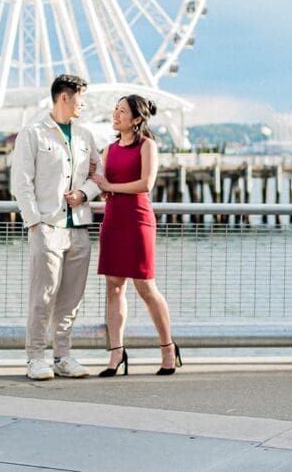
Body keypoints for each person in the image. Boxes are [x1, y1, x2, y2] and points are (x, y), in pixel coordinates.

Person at [10, 74, 103, 380]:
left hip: (79, 227)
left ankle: (63, 355)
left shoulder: (85, 136)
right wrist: (34, 222)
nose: (84, 103)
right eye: (81, 97)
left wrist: (84, 194)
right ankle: (36, 357)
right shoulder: (33, 134)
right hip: (47, 226)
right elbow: (21, 182)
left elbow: (97, 176)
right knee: (43, 296)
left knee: (71, 298)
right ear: (65, 97)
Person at [91, 95, 182, 376]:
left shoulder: (147, 146)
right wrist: (98, 185)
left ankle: (168, 347)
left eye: (121, 111)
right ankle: (116, 353)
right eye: (115, 109)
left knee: (145, 286)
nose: (115, 115)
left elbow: (146, 183)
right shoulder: (109, 149)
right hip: (113, 219)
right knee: (114, 286)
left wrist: (110, 186)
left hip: (138, 220)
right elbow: (107, 187)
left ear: (137, 119)